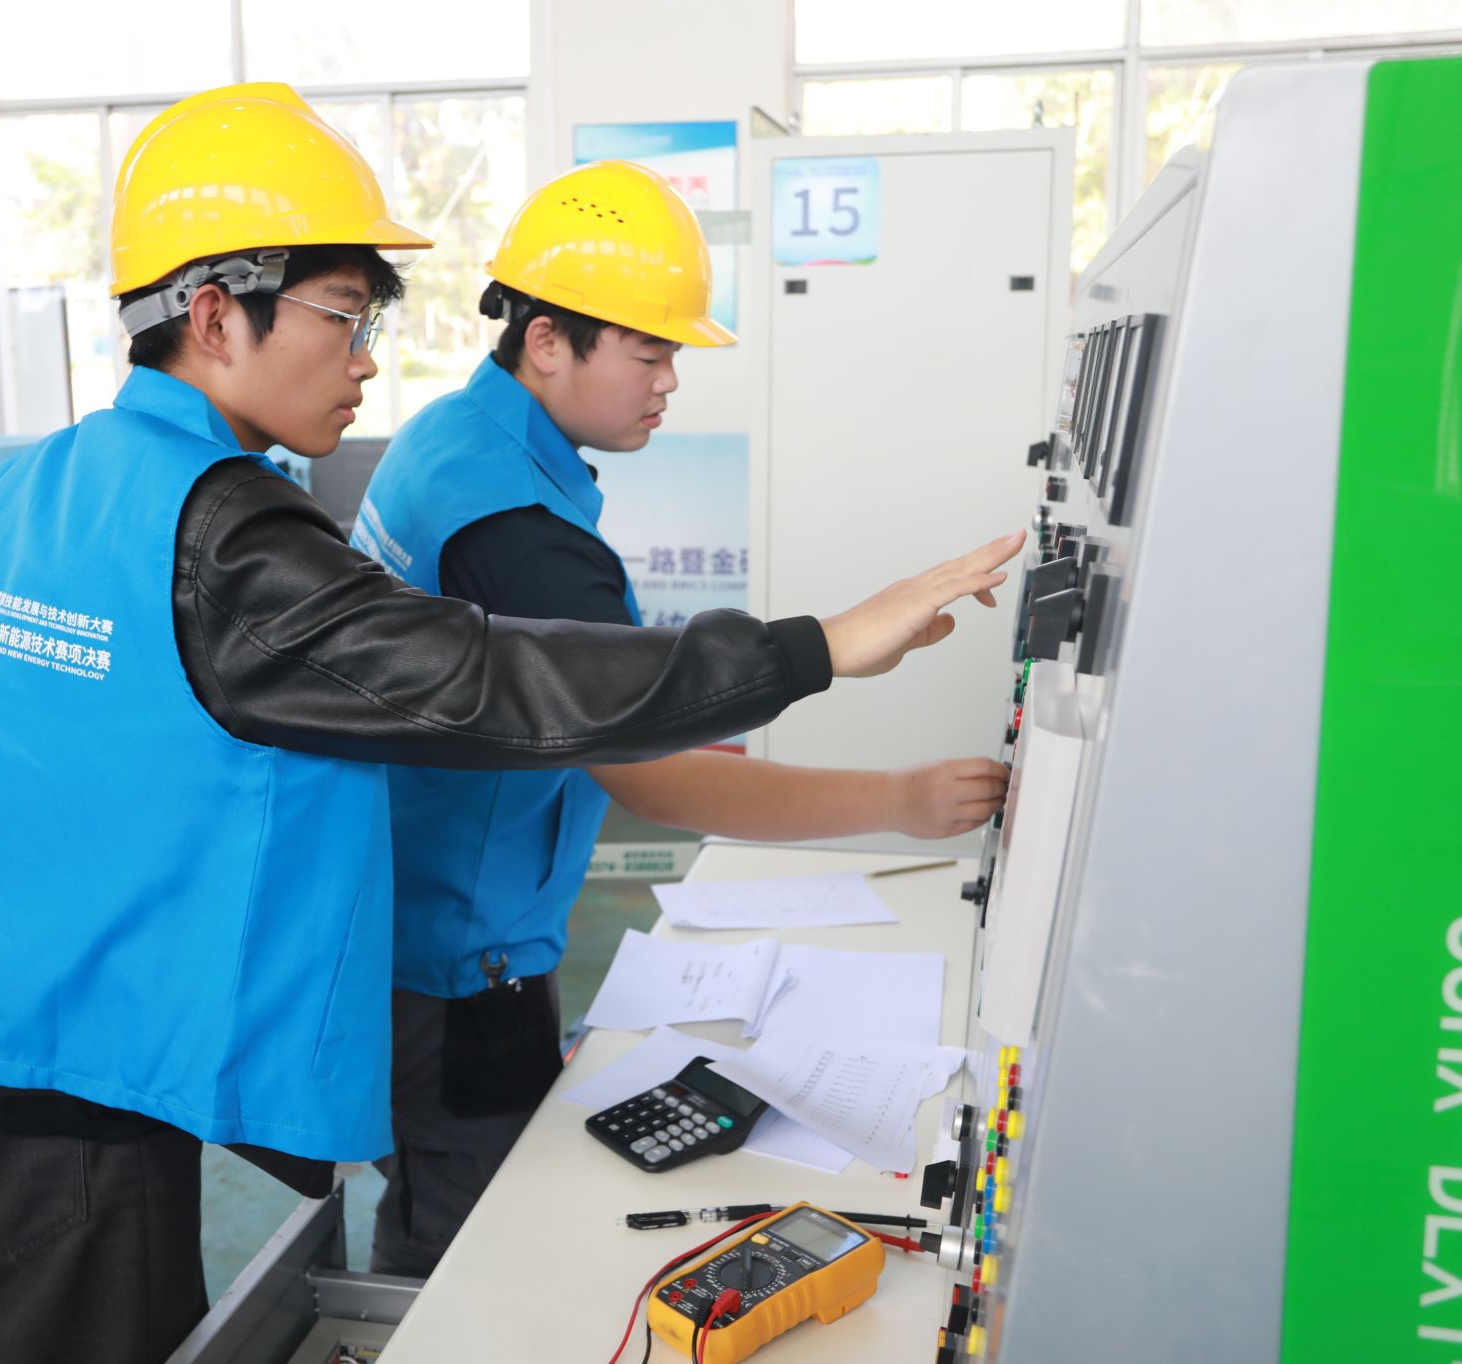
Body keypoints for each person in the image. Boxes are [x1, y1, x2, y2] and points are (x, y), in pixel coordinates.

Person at [0, 86, 1020, 1364]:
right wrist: (816, 647)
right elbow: (484, 680)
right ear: (213, 314)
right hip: (54, 1069)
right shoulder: (220, 532)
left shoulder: (41, 481)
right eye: (343, 316)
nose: (364, 359)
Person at [351, 160, 1011, 1277]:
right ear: (547, 340)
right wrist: (897, 798)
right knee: (469, 1258)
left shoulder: (454, 438)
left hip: (415, 912)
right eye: (648, 352)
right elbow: (649, 771)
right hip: (455, 960)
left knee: (448, 1200)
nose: (668, 382)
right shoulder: (515, 527)